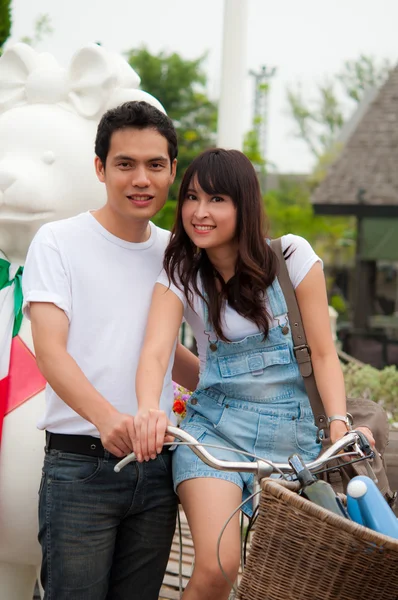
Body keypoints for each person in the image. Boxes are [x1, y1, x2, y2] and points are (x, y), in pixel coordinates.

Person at [133, 148, 375, 600]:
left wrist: (339, 425)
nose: (199, 213)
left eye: (217, 199)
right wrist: (150, 409)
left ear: (244, 205)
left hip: (298, 445)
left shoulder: (290, 257)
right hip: (215, 436)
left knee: (292, 584)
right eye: (191, 198)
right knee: (217, 568)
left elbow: (324, 355)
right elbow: (155, 353)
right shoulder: (180, 273)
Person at [22, 100, 199, 600]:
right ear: (101, 168)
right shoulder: (58, 241)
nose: (141, 178)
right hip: (81, 467)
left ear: (171, 173)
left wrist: (223, 385)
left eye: (155, 165)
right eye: (126, 164)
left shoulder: (177, 252)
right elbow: (50, 351)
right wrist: (108, 420)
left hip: (159, 466)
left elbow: (161, 348)